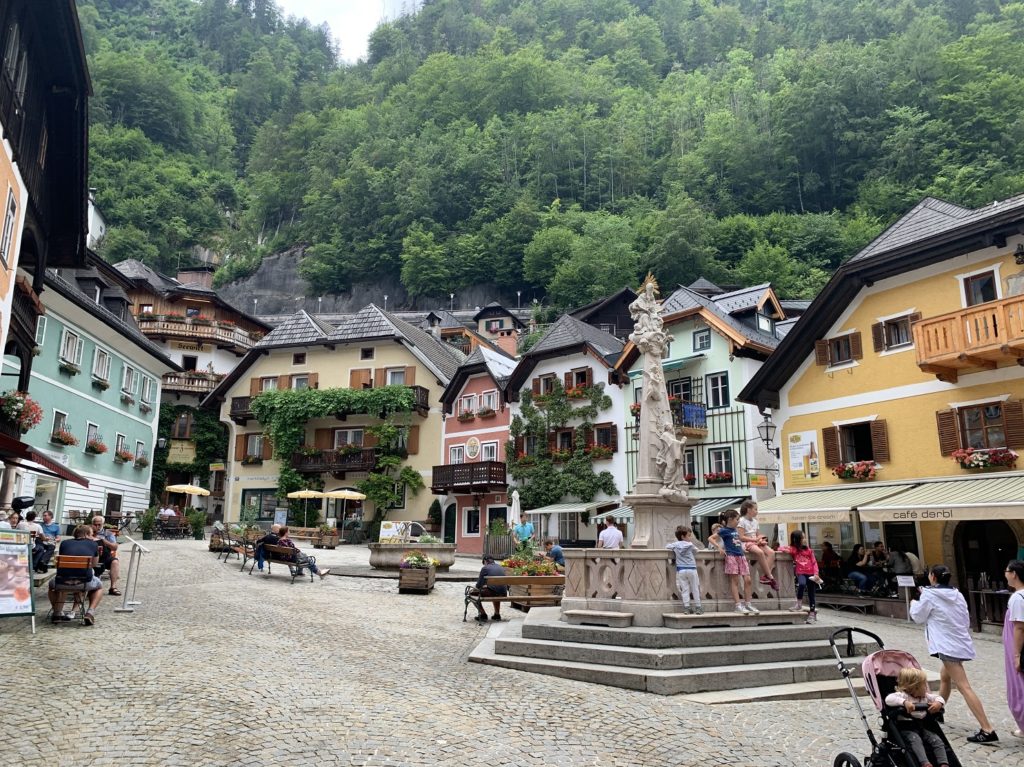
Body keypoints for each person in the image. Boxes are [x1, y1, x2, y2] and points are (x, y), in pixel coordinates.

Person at [910, 564, 998, 744]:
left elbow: (918, 617)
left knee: (964, 686)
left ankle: (987, 729)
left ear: (933, 577)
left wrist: (914, 603)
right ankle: (938, 711)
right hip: (958, 641)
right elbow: (965, 617)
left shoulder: (929, 594)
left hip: (945, 644)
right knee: (944, 677)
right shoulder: (957, 594)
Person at [883, 667, 949, 767]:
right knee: (916, 739)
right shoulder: (903, 696)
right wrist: (904, 703)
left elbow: (939, 698)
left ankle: (944, 763)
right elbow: (889, 699)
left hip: (921, 727)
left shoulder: (926, 696)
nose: (926, 687)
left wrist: (938, 703)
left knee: (937, 740)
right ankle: (925, 763)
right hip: (906, 728)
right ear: (914, 687)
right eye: (924, 685)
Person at [48, 524, 103, 625]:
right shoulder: (93, 544)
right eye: (91, 534)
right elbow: (94, 564)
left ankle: (57, 612)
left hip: (62, 582)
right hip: (84, 583)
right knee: (99, 586)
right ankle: (90, 613)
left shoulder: (64, 543)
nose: (92, 537)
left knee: (51, 585)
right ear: (86, 535)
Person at [719, 509, 758, 615]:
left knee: (748, 580)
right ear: (730, 519)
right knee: (735, 581)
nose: (738, 521)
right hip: (731, 556)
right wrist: (720, 548)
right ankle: (738, 605)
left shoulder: (736, 530)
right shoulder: (724, 530)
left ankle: (748, 604)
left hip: (741, 555)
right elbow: (711, 538)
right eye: (737, 519)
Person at [778, 530, 821, 624]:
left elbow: (814, 562)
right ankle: (799, 604)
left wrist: (816, 574)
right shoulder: (793, 549)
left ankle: (812, 613)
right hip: (801, 573)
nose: (805, 539)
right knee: (801, 584)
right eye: (803, 537)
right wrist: (786, 549)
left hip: (811, 575)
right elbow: (780, 548)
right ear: (798, 539)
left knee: (811, 594)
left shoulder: (809, 550)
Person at [1003, 559, 1024, 738]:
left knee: (1019, 688)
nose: (1006, 574)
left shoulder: (1018, 597)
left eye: (1007, 571)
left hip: (1019, 647)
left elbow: (1019, 627)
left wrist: (1016, 654)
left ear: (1014, 574)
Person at [736, 500, 777, 590]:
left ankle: (765, 576)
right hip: (747, 542)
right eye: (755, 509)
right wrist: (755, 540)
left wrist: (761, 540)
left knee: (771, 552)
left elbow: (758, 534)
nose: (757, 511)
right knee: (760, 552)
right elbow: (741, 537)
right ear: (748, 510)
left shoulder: (755, 521)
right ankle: (770, 577)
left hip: (755, 541)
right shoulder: (741, 521)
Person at [666, 525, 702, 614]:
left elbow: (667, 546)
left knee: (685, 589)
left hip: (681, 570)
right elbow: (696, 551)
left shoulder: (675, 545)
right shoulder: (690, 544)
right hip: (692, 569)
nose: (690, 537)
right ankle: (698, 607)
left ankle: (687, 607)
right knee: (695, 588)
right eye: (689, 535)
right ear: (683, 536)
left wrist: (675, 548)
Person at [90, 516, 122, 596]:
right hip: (91, 557)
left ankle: (113, 587)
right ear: (92, 524)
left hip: (105, 556)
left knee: (115, 562)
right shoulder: (88, 532)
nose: (97, 527)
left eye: (99, 525)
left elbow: (115, 547)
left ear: (103, 525)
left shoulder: (108, 534)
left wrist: (104, 541)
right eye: (95, 524)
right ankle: (90, 587)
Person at [471, 554, 506, 623]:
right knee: (496, 591)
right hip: (503, 593)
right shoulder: (500, 567)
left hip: (493, 592)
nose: (484, 565)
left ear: (485, 561)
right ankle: (497, 614)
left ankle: (483, 614)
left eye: (483, 563)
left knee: (470, 594)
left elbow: (479, 585)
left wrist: (473, 589)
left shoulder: (485, 568)